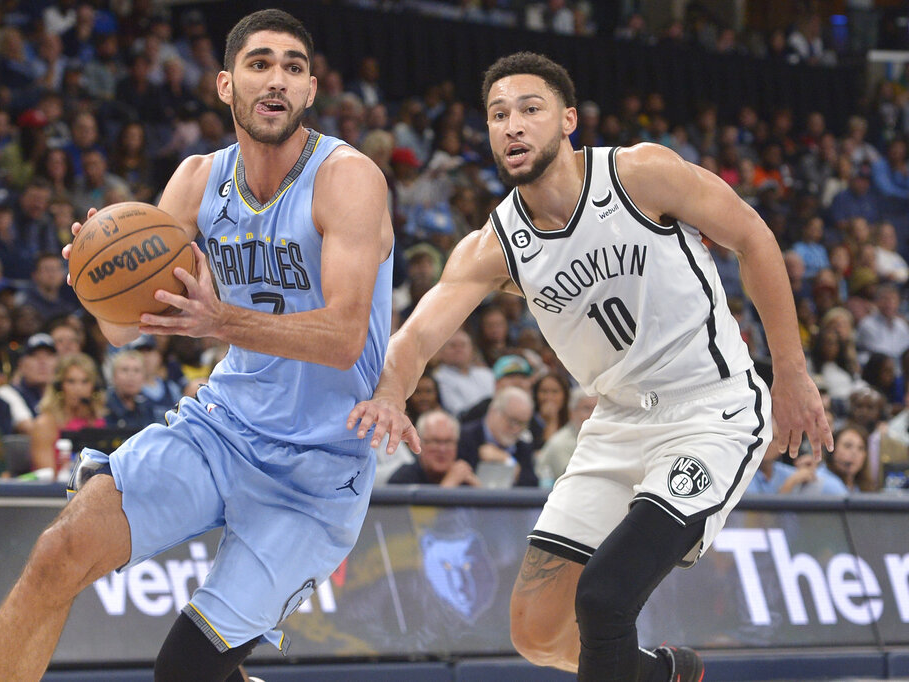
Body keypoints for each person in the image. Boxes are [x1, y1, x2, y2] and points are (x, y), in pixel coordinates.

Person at [348, 52, 830, 680]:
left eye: (529, 109)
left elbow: (753, 237)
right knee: (536, 631)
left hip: (712, 410)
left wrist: (789, 372)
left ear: (568, 119)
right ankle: (662, 675)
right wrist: (390, 392)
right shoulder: (494, 246)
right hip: (615, 424)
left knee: (603, 598)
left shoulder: (640, 174)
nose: (512, 126)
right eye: (498, 115)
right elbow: (417, 335)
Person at [0, 10, 393, 682]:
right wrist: (94, 275)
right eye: (259, 63)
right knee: (60, 551)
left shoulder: (348, 179)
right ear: (226, 85)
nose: (276, 78)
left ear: (312, 90)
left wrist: (219, 320)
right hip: (221, 428)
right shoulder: (199, 179)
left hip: (317, 472)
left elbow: (344, 338)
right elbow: (125, 329)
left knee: (186, 671)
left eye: (293, 66)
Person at [29, 352, 107, 473]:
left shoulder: (99, 421)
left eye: (85, 381)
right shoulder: (45, 424)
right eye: (71, 381)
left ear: (94, 387)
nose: (78, 388)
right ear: (59, 386)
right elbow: (48, 476)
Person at [387, 409, 478, 486]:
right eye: (435, 441)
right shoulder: (402, 480)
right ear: (419, 443)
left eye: (448, 442)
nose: (442, 449)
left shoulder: (463, 477)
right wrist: (449, 485)